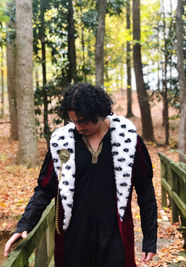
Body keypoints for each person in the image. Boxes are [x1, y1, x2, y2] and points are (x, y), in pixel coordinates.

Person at [4, 83, 157, 267]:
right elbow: (44, 189)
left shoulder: (129, 141)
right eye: (74, 121)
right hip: (73, 241)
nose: (78, 127)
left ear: (99, 112)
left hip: (115, 239)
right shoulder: (62, 143)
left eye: (83, 121)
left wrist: (149, 237)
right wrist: (24, 224)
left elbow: (146, 191)